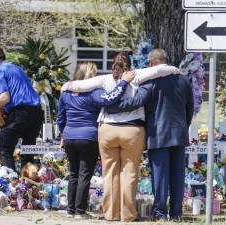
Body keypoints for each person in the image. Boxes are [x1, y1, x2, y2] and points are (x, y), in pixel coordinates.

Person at [61, 52, 179, 222]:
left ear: (112, 65)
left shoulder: (104, 79)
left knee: (109, 174)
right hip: (132, 131)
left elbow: (80, 86)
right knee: (129, 174)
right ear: (129, 65)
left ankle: (110, 213)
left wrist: (66, 85)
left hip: (107, 129)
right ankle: (128, 215)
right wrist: (175, 69)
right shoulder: (136, 76)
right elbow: (158, 70)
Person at [105, 49, 194, 221]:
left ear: (152, 63)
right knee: (177, 176)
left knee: (160, 178)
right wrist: (184, 126)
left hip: (158, 135)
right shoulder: (184, 80)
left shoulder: (151, 81)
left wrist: (112, 105)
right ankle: (176, 214)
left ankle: (160, 213)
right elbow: (189, 108)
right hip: (179, 134)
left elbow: (137, 102)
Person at [57, 62, 135, 219]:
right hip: (89, 137)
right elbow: (110, 99)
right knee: (84, 174)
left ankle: (70, 210)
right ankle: (80, 211)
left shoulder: (65, 93)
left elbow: (60, 118)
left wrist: (63, 135)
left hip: (70, 136)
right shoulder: (94, 92)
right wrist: (123, 83)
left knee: (73, 173)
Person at [0, 47, 42, 170]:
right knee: (27, 153)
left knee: (4, 149)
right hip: (36, 113)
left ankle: (10, 185)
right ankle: (27, 185)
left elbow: (4, 98)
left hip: (20, 113)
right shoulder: (16, 68)